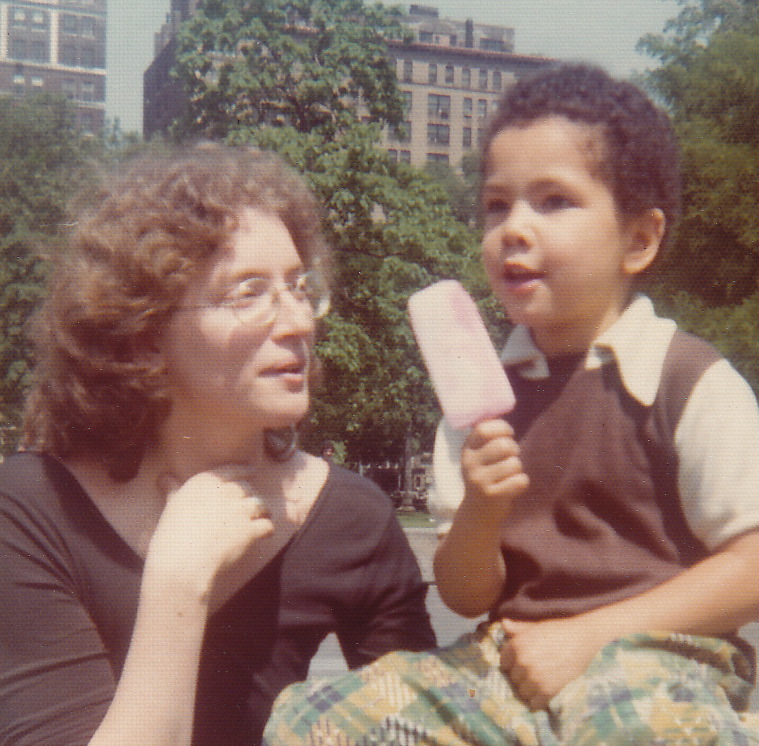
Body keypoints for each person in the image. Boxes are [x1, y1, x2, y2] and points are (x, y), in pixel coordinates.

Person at [264, 64, 759, 745]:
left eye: (553, 201)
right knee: (316, 721)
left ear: (637, 239)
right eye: (496, 204)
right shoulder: (482, 397)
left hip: (660, 660)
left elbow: (758, 569)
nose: (513, 229)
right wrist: (483, 510)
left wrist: (587, 638)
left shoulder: (687, 378)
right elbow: (467, 594)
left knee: (627, 731)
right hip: (508, 657)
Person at [0, 145, 436, 746]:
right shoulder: (32, 506)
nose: (299, 323)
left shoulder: (353, 516)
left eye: (300, 288)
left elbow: (421, 726)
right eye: (249, 293)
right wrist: (179, 583)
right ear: (144, 334)